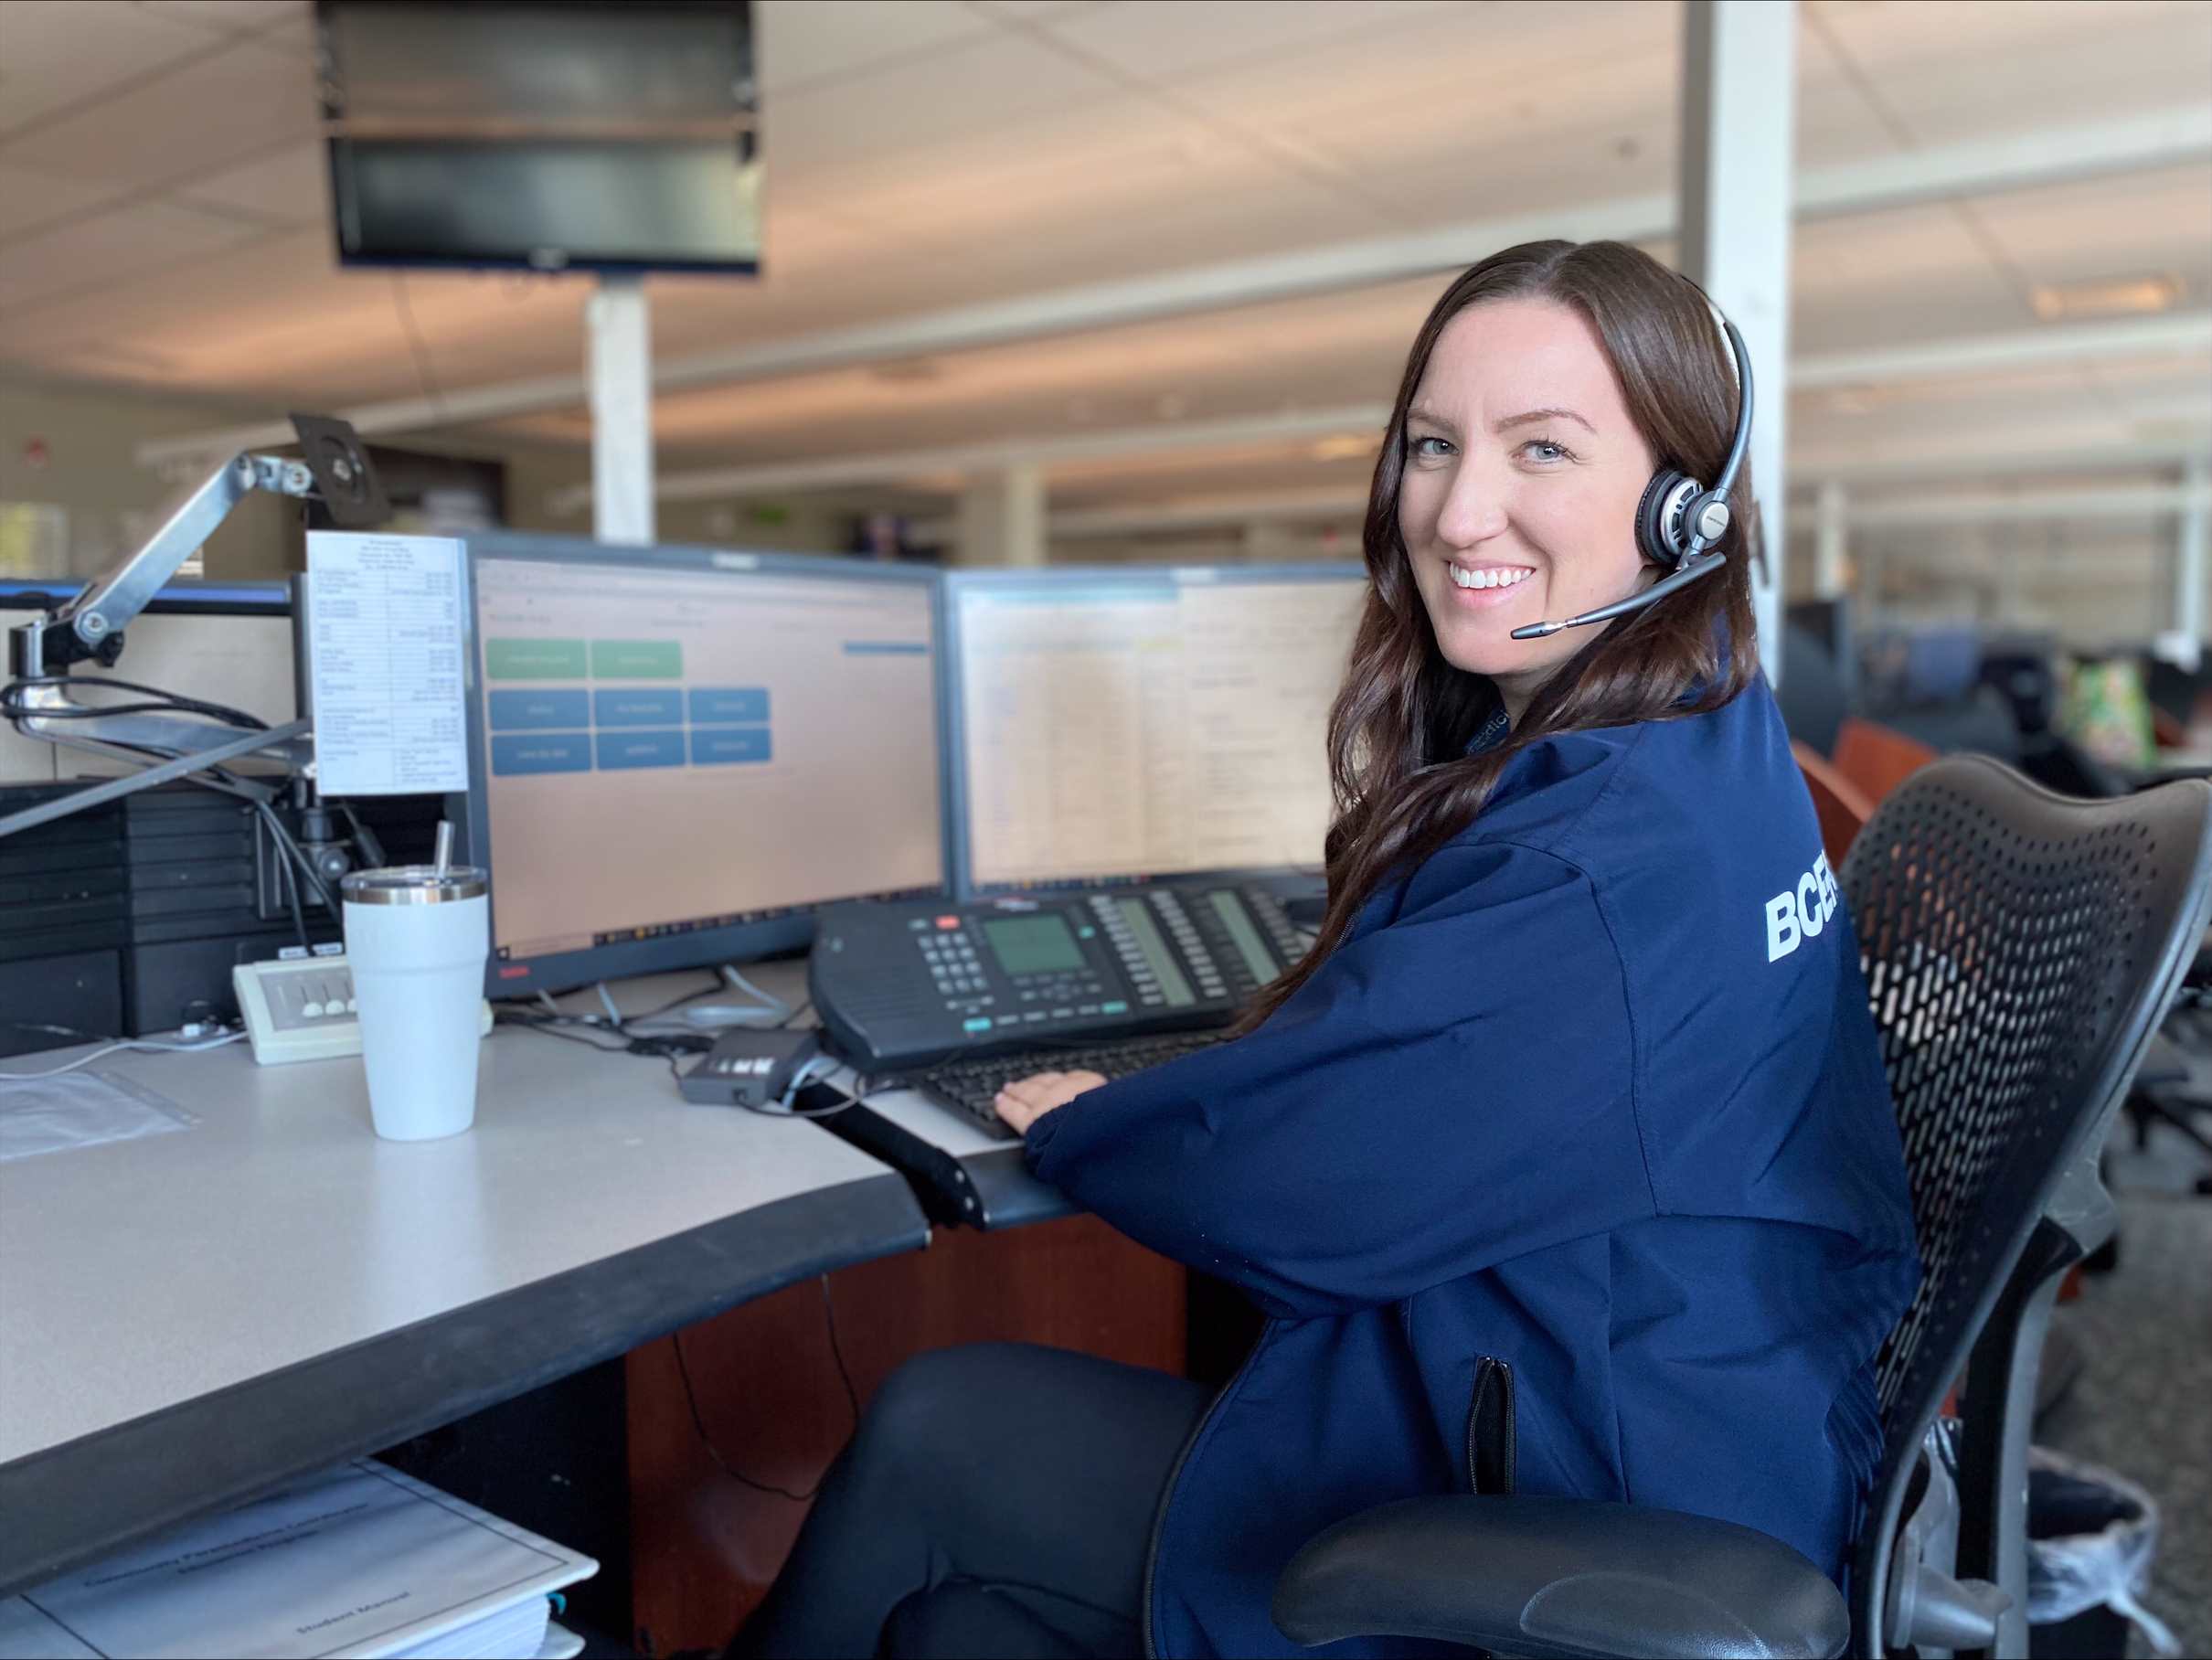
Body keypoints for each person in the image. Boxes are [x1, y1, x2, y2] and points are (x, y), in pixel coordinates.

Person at [734, 239, 1920, 1659]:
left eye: (1541, 449)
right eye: (1432, 444)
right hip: (1705, 1413)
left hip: (1576, 1512)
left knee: (939, 1429)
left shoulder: (1593, 864)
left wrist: (1095, 1122)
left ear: (1679, 512)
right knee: (958, 1615)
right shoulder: (1710, 732)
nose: (1459, 506)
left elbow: (1291, 1184)